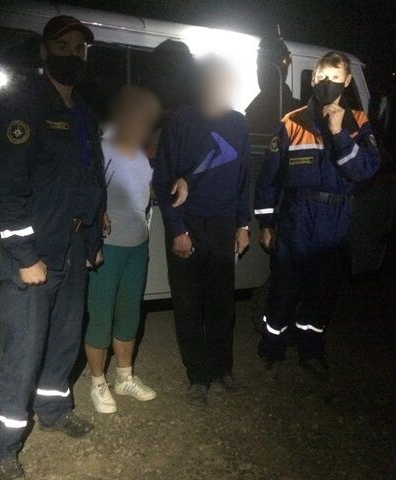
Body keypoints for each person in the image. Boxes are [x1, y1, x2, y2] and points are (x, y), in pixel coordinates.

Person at [0, 16, 105, 480]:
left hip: (73, 249)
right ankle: (3, 447)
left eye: (81, 47)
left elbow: (91, 182)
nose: (74, 53)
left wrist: (92, 241)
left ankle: (53, 411)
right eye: (64, 44)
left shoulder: (84, 114)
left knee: (64, 342)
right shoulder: (25, 106)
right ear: (44, 51)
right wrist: (25, 256)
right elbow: (5, 191)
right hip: (37, 255)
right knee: (23, 354)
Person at [254, 51, 381, 376]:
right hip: (296, 218)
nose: (328, 83)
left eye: (335, 78)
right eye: (322, 77)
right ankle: (272, 348)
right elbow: (269, 178)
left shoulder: (358, 122)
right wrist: (266, 223)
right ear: (312, 78)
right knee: (283, 289)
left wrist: (339, 134)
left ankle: (310, 350)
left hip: (335, 222)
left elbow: (366, 171)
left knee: (322, 293)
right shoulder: (292, 122)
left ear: (347, 82)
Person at [153, 56, 251, 406]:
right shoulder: (180, 121)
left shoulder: (238, 123)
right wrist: (177, 229)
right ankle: (198, 376)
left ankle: (222, 367)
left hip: (223, 227)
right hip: (188, 226)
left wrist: (243, 224)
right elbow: (163, 180)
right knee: (189, 305)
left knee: (222, 305)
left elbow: (244, 179)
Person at [84, 86, 188, 414]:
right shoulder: (102, 147)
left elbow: (150, 191)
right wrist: (96, 213)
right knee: (101, 317)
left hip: (136, 247)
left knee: (129, 316)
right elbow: (86, 188)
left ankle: (124, 377)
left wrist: (179, 182)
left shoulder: (140, 154)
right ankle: (97, 382)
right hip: (108, 247)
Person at [245, 34, 302, 135]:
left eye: (262, 67)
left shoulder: (293, 110)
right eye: (259, 67)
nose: (259, 72)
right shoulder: (256, 108)